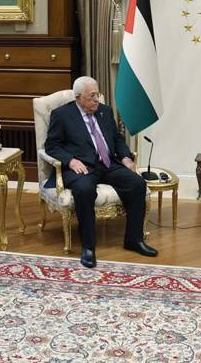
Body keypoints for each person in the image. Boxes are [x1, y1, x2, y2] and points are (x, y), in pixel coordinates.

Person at [45, 76, 158, 268]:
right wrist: (71, 161)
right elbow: (52, 145)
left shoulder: (105, 111)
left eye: (97, 94)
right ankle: (88, 247)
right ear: (79, 97)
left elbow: (117, 138)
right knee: (84, 190)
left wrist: (125, 157)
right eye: (91, 96)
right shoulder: (62, 115)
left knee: (137, 183)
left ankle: (134, 239)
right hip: (82, 167)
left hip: (107, 163)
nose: (97, 99)